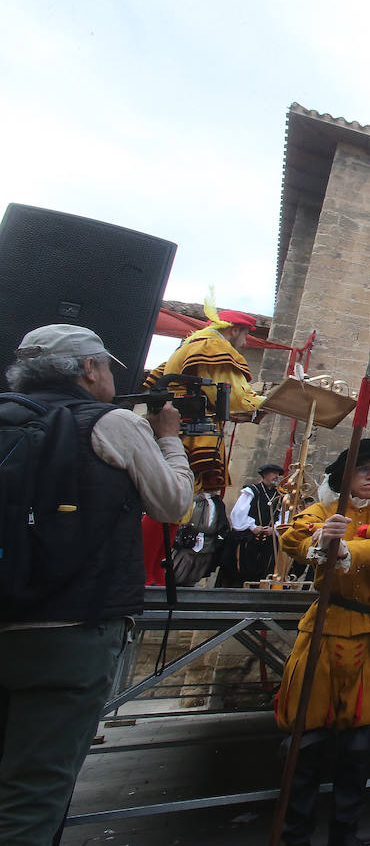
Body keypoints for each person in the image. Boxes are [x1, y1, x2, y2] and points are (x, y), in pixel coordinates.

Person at [0, 325, 193, 845]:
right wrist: (170, 436)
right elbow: (173, 502)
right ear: (89, 368)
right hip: (71, 626)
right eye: (107, 367)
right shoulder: (111, 423)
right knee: (34, 790)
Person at [274, 438, 370, 846]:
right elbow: (293, 539)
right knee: (305, 740)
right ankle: (294, 833)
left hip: (368, 636)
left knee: (359, 745)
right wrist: (320, 542)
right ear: (345, 476)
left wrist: (347, 549)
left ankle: (345, 833)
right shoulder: (320, 511)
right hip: (322, 628)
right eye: (364, 469)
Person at [145, 301, 265, 493]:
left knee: (169, 486)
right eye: (245, 335)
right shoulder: (214, 347)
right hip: (193, 430)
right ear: (233, 331)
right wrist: (273, 402)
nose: (244, 343)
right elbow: (237, 398)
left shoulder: (189, 346)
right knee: (183, 490)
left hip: (174, 425)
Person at [222, 463, 285, 586]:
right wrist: (252, 527)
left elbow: (284, 515)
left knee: (265, 569)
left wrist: (275, 529)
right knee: (243, 568)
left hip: (269, 540)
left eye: (278, 474)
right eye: (273, 473)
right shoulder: (251, 491)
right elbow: (239, 513)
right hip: (249, 538)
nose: (276, 476)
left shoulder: (281, 495)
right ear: (265, 475)